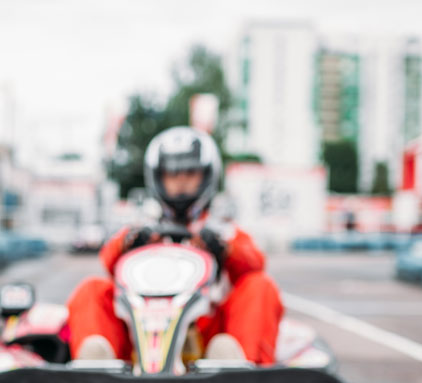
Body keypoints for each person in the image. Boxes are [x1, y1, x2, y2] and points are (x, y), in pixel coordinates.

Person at [66, 127, 283, 365]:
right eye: (172, 174)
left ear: (206, 176)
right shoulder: (143, 226)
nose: (180, 181)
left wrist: (222, 248)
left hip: (207, 331)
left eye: (190, 173)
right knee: (92, 289)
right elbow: (108, 260)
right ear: (158, 178)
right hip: (141, 327)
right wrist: (129, 245)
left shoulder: (222, 229)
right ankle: (97, 365)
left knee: (260, 286)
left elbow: (254, 263)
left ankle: (241, 365)